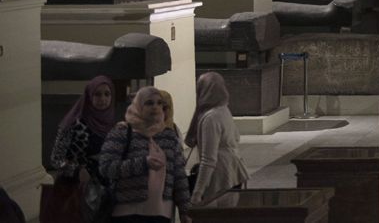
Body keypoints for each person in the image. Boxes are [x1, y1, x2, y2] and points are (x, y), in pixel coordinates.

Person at [100, 86, 191, 223]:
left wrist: (185, 210)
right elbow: (106, 168)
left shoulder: (168, 136)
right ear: (138, 105)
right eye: (149, 103)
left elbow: (179, 176)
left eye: (159, 103)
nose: (155, 107)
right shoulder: (122, 132)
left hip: (161, 213)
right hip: (127, 212)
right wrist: (143, 163)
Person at [48, 76, 118, 221]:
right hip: (76, 189)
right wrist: (76, 171)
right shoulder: (73, 124)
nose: (103, 99)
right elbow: (55, 159)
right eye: (97, 94)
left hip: (105, 188)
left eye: (107, 94)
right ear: (88, 96)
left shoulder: (113, 125)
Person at [187, 72, 250, 205]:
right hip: (232, 170)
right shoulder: (223, 110)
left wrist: (197, 192)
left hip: (221, 176)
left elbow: (208, 159)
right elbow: (236, 137)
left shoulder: (211, 117)